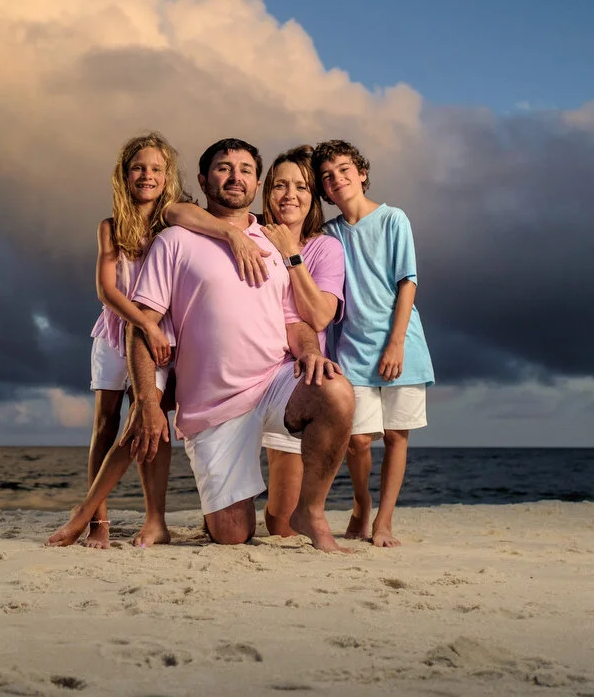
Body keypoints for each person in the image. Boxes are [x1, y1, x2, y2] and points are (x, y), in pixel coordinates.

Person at [69, 132, 270, 548]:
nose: (147, 175)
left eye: (157, 169)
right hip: (118, 330)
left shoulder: (175, 217)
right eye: (138, 168)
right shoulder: (111, 226)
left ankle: (153, 517)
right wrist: (144, 325)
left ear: (169, 176)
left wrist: (236, 235)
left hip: (161, 333)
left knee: (148, 418)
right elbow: (108, 291)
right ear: (124, 175)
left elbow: (214, 225)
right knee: (105, 425)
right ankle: (96, 521)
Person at [313, 139, 434, 548]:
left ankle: (384, 521)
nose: (337, 179)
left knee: (397, 436)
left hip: (401, 344)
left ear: (361, 173)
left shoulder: (393, 219)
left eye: (344, 170)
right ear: (323, 189)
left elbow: (408, 281)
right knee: (358, 438)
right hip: (352, 348)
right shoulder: (328, 234)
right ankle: (361, 504)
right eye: (327, 176)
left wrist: (396, 343)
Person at [258, 145, 346, 538]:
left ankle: (306, 513)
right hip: (242, 374)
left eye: (301, 186)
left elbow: (320, 315)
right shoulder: (248, 234)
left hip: (291, 378)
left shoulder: (324, 248)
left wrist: (292, 254)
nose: (290, 194)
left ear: (313, 198)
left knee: (280, 525)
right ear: (267, 192)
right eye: (280, 185)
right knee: (226, 529)